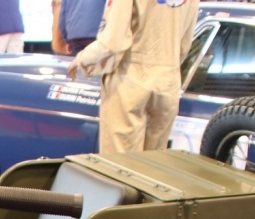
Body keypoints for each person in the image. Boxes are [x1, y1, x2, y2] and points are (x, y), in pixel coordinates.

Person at [66, 0, 198, 154]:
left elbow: (113, 41)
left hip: (130, 78)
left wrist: (83, 59)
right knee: (153, 161)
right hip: (168, 81)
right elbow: (185, 43)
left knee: (120, 162)